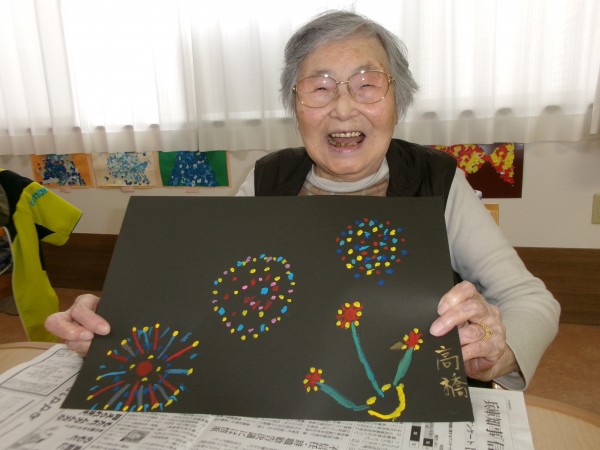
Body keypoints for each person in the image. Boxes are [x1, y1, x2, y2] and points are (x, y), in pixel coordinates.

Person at [45, 10, 560, 391]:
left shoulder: (437, 180)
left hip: (405, 394)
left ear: (397, 100)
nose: (343, 108)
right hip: (289, 389)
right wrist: (115, 322)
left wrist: (497, 352)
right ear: (295, 105)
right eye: (319, 87)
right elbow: (207, 298)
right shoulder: (266, 178)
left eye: (367, 85)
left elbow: (531, 300)